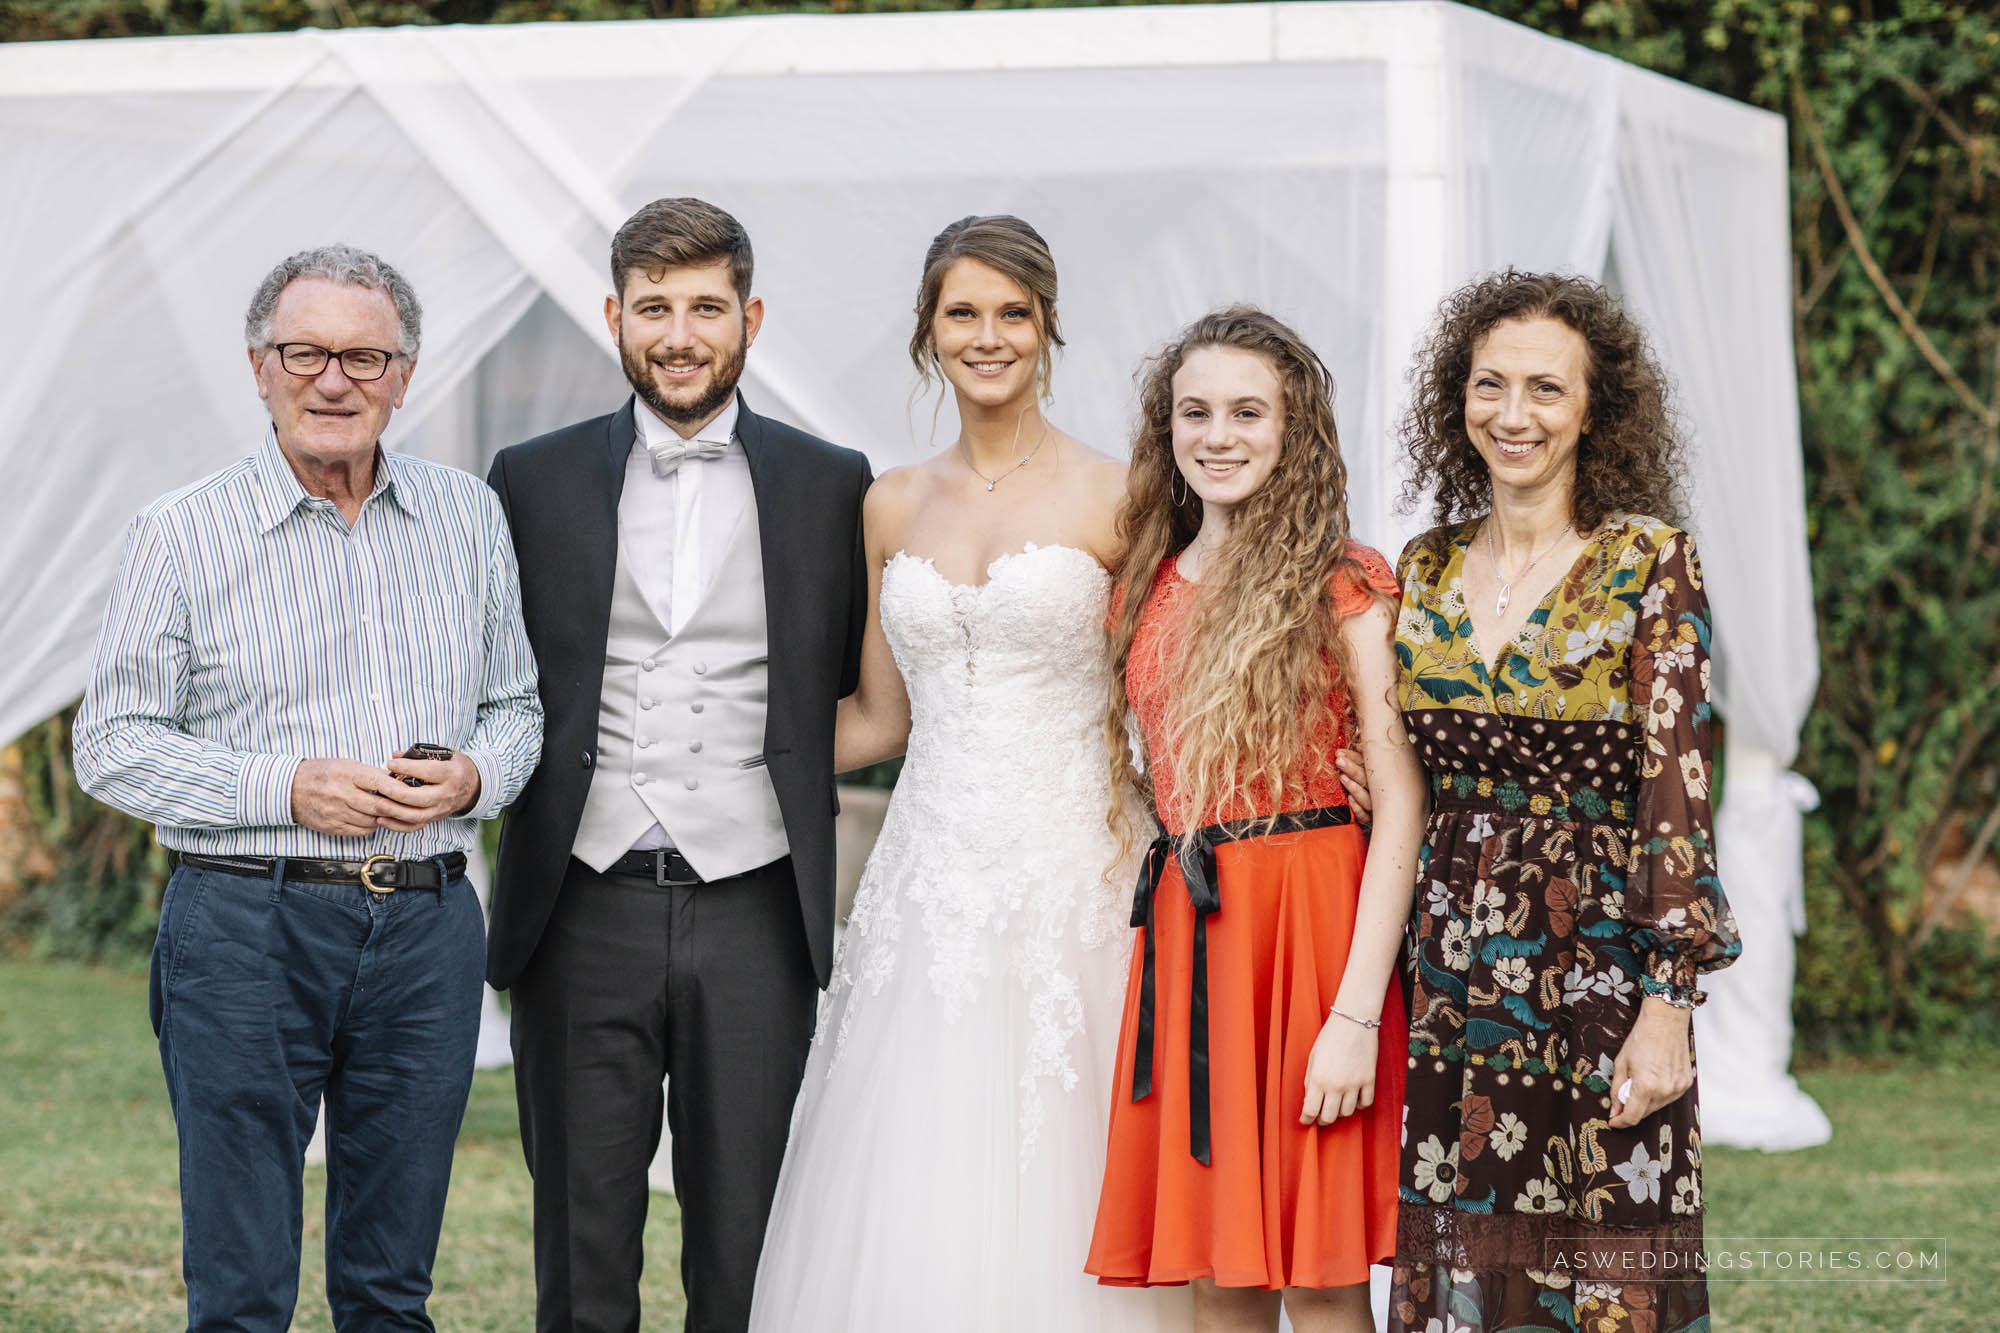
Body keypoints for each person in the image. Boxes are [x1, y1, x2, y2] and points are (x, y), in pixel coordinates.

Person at [73, 244, 544, 1331]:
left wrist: (476, 773)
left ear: (403, 375)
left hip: (426, 928)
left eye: (363, 357)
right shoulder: (180, 532)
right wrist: (284, 786)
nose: (333, 380)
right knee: (241, 1291)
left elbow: (518, 705)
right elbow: (111, 743)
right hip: (246, 926)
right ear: (259, 366)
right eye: (305, 353)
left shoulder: (469, 518)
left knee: (391, 1288)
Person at [748, 215, 1179, 1332]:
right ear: (927, 331)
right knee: (917, 1159)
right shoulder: (888, 502)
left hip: (1081, 872)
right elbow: (877, 718)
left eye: (1012, 314)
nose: (987, 337)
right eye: (963, 313)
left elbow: (1173, 693)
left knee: (1071, 1143)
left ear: (1048, 327)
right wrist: (708, 742)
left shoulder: (1122, 492)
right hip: (928, 879)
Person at [485, 197, 872, 1333]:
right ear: (614, 318)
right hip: (580, 902)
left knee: (746, 1253)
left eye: (706, 307)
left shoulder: (833, 482)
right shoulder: (530, 477)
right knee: (581, 1253)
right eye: (653, 308)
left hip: (757, 906)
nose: (680, 335)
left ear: (751, 317)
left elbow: (860, 681)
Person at [1385, 271, 1741, 1333]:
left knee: (1605, 1260)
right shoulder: (1422, 568)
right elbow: (1406, 768)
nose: (1513, 413)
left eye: (1545, 388)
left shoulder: (1648, 561)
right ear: (1457, 398)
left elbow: (1677, 791)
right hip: (1452, 968)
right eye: (1489, 384)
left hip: (1598, 965)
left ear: (1595, 409)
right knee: (1468, 1248)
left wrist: (1667, 1006)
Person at [1086, 307, 1425, 1333]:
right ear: (1166, 427)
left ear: (1292, 429)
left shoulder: (1342, 580)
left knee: (1321, 1276)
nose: (1218, 435)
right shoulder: (1140, 586)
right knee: (1218, 1273)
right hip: (1195, 938)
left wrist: (1355, 1016)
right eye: (1195, 411)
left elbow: (1399, 802)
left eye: (1247, 411)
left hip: (1314, 940)